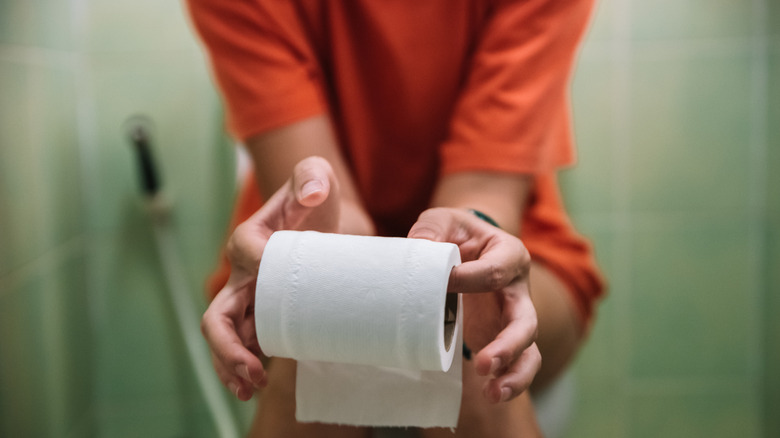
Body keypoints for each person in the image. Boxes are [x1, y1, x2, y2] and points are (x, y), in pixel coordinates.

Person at [186, 0, 605, 437]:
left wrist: (462, 268)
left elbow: (481, 198)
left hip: (516, 247)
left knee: (473, 339)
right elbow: (328, 205)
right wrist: (328, 263)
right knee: (319, 328)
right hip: (314, 238)